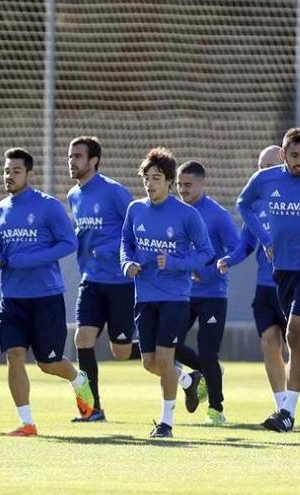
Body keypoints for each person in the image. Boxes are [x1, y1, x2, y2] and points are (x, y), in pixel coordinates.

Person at [219, 145, 300, 424]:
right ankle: (286, 405)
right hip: (267, 286)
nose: (265, 173)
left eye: (269, 167)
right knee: (271, 342)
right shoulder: (256, 205)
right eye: (261, 167)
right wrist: (227, 260)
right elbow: (246, 244)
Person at [0, 147, 95, 437]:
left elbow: (69, 244)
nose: (9, 176)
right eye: (6, 170)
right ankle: (27, 423)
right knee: (14, 355)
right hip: (11, 298)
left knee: (48, 364)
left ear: (29, 174)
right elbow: (6, 249)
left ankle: (78, 379)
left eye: (16, 171)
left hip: (45, 297)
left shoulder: (48, 206)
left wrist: (28, 259)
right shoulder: (0, 209)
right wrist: (0, 258)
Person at [120, 148, 215, 438]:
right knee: (150, 363)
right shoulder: (135, 210)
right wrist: (127, 263)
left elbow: (207, 253)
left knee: (163, 357)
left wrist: (176, 263)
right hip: (144, 296)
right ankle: (188, 380)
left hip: (175, 298)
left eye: (156, 178)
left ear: (170, 181)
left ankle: (167, 424)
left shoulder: (187, 215)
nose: (150, 184)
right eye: (146, 178)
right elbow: (126, 242)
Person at [66, 136, 139, 422]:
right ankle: (91, 409)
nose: (72, 162)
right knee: (82, 338)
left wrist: (108, 250)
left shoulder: (114, 192)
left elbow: (135, 228)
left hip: (120, 283)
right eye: (70, 156)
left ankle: (171, 364)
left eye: (78, 156)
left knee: (120, 352)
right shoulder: (73, 195)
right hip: (91, 281)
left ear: (94, 160)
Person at [174, 160, 240, 426]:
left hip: (213, 294)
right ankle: (205, 373)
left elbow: (235, 249)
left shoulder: (217, 214)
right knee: (170, 343)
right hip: (181, 294)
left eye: (188, 185)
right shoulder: (174, 212)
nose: (182, 190)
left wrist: (209, 270)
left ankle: (216, 409)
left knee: (208, 351)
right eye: (179, 184)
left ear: (203, 184)